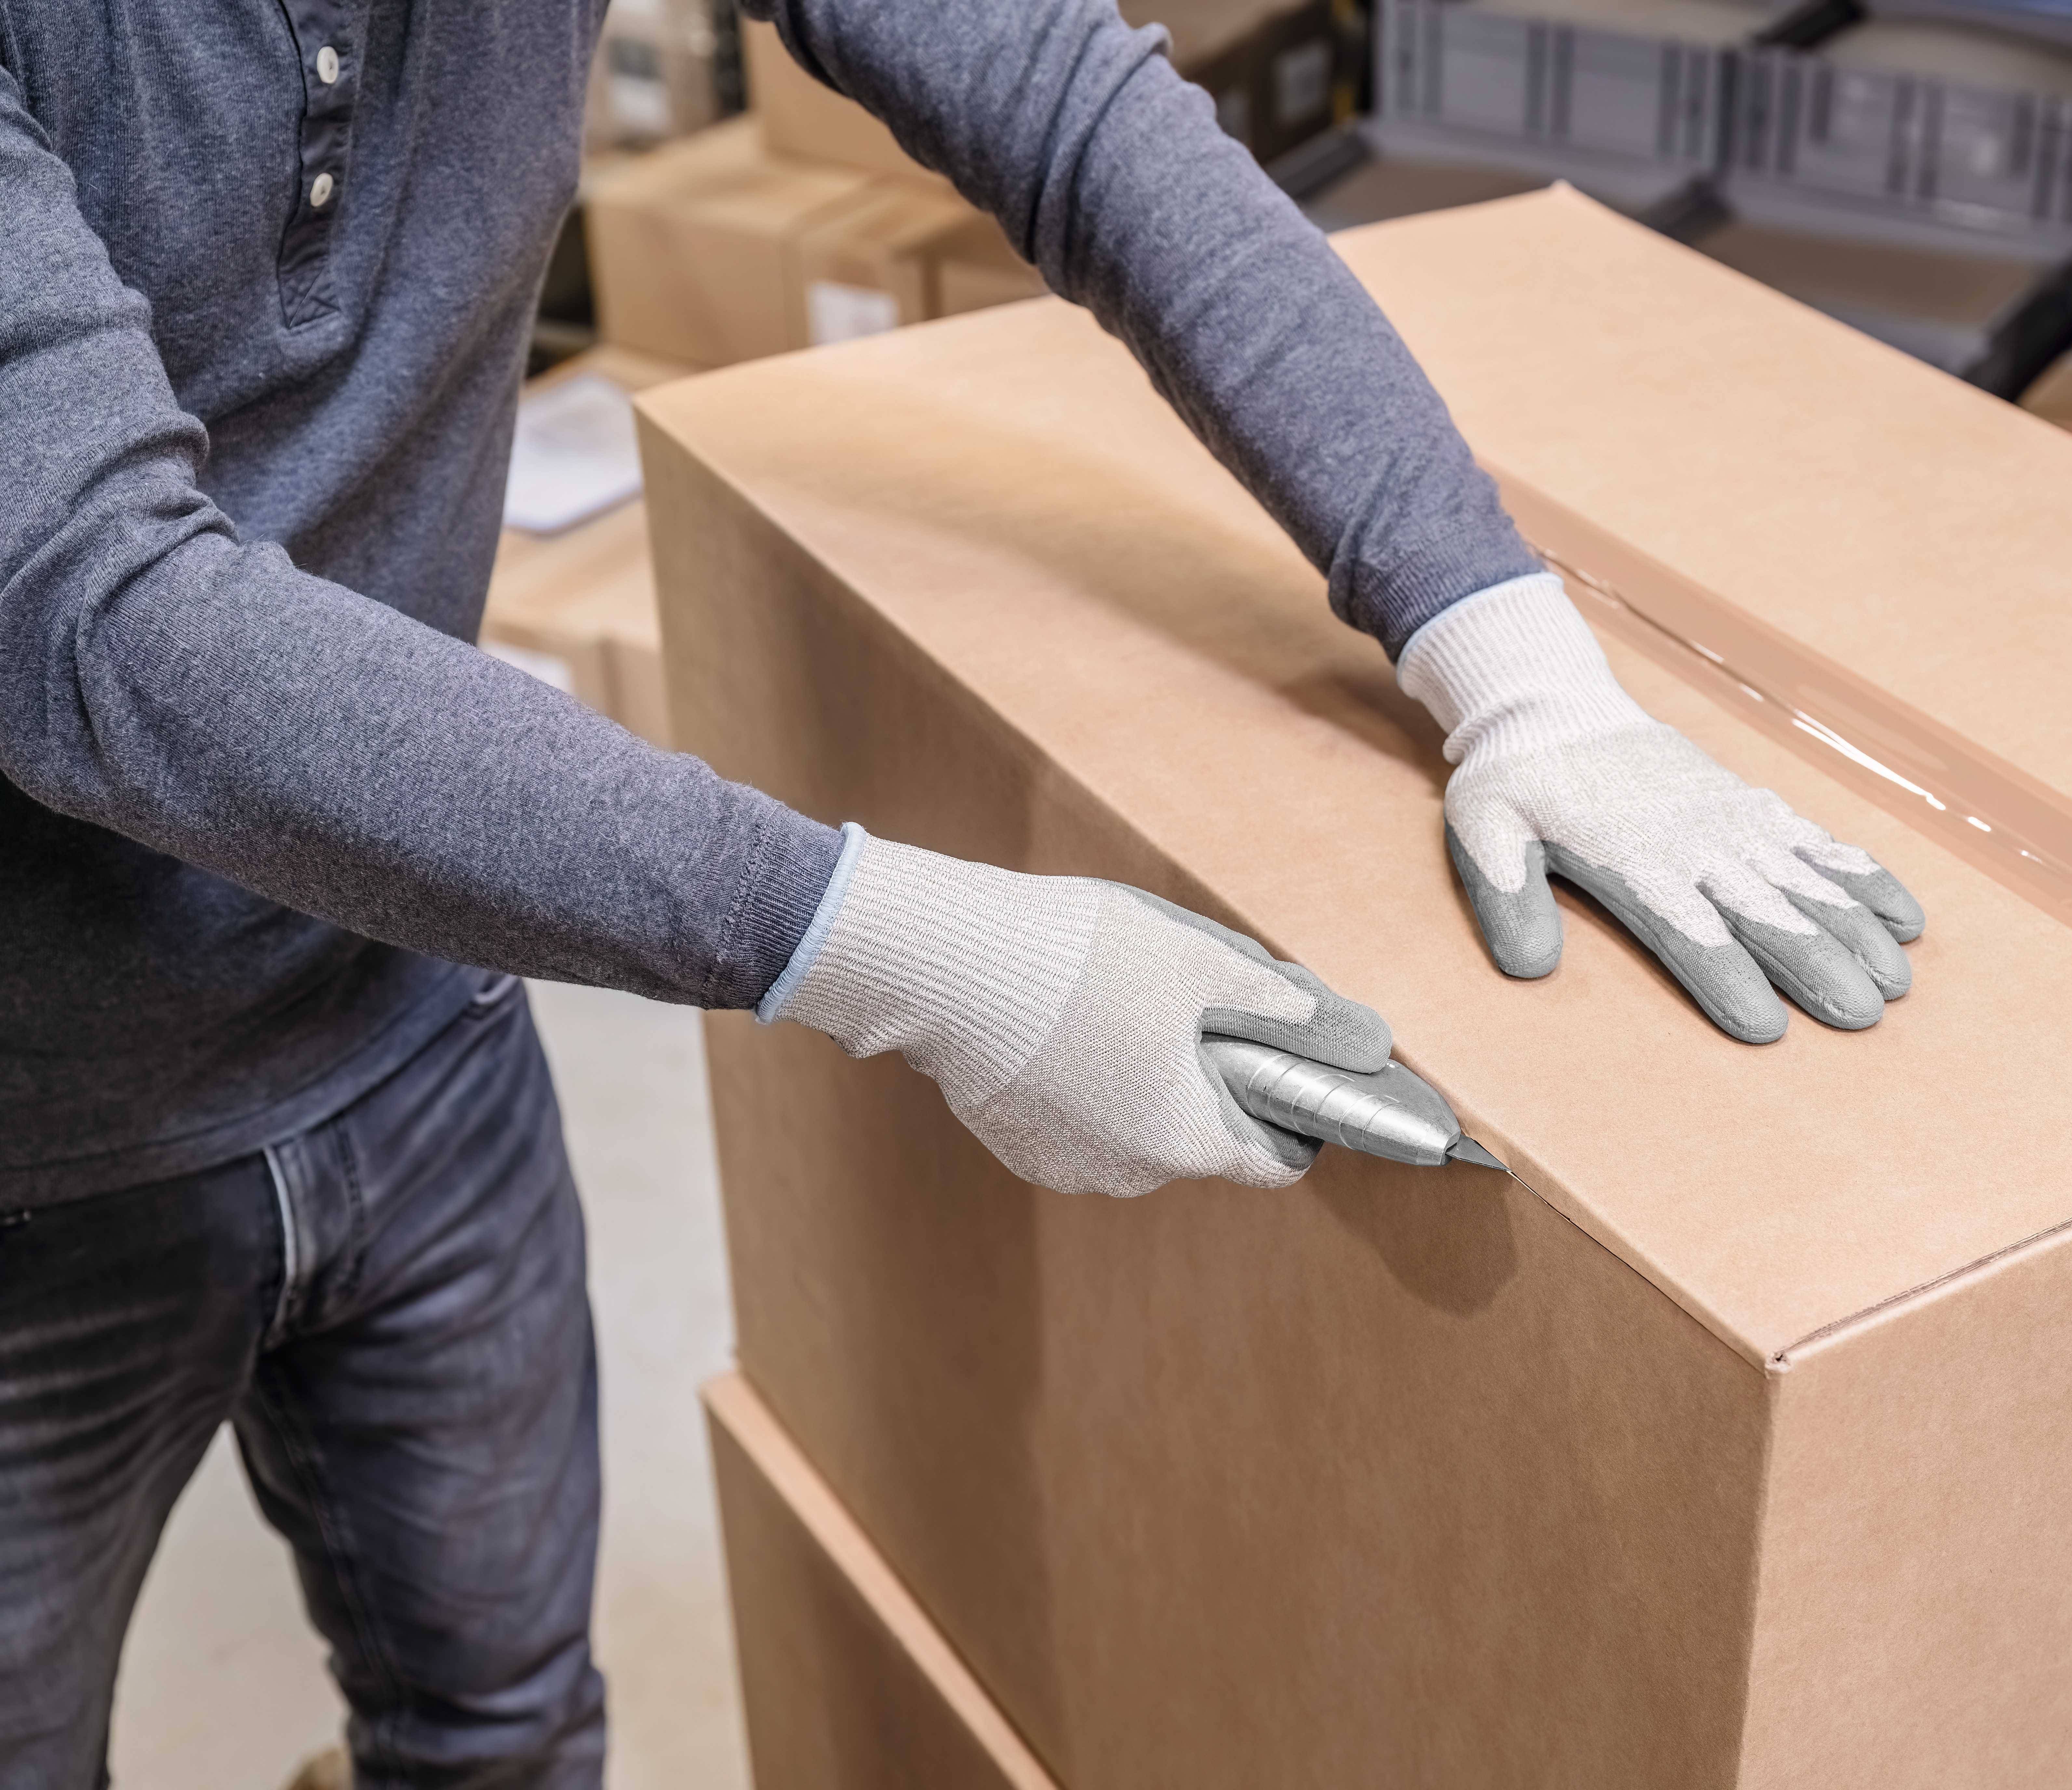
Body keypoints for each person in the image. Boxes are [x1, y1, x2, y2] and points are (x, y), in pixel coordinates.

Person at [0, 0, 1924, 1780]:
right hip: (32, 1141)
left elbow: (1071, 106)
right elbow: (103, 619)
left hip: (410, 1004)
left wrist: (1508, 654)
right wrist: (918, 953)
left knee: (501, 1726)